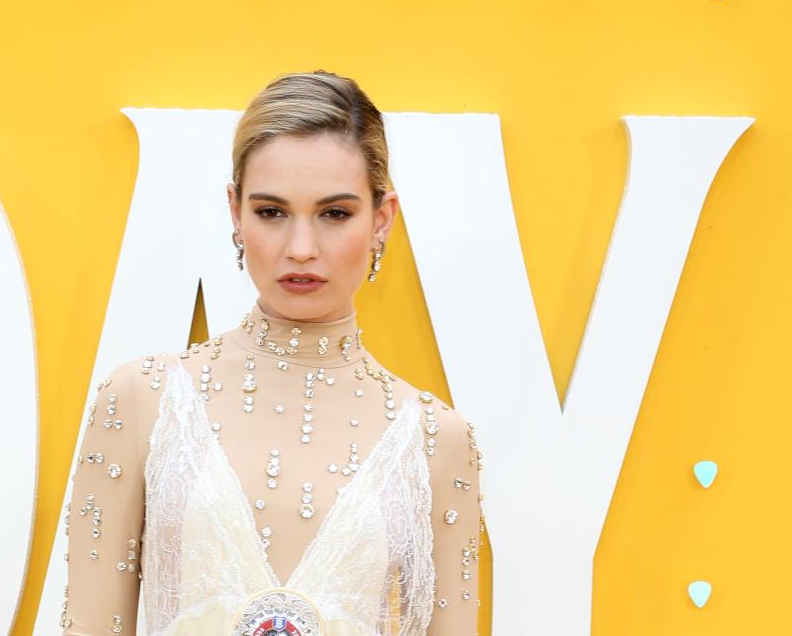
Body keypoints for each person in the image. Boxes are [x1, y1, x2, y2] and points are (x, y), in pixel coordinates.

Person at [61, 70, 485, 636]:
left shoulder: (437, 437)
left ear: (381, 220)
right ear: (235, 212)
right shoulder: (143, 399)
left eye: (335, 213)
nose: (301, 249)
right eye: (271, 212)